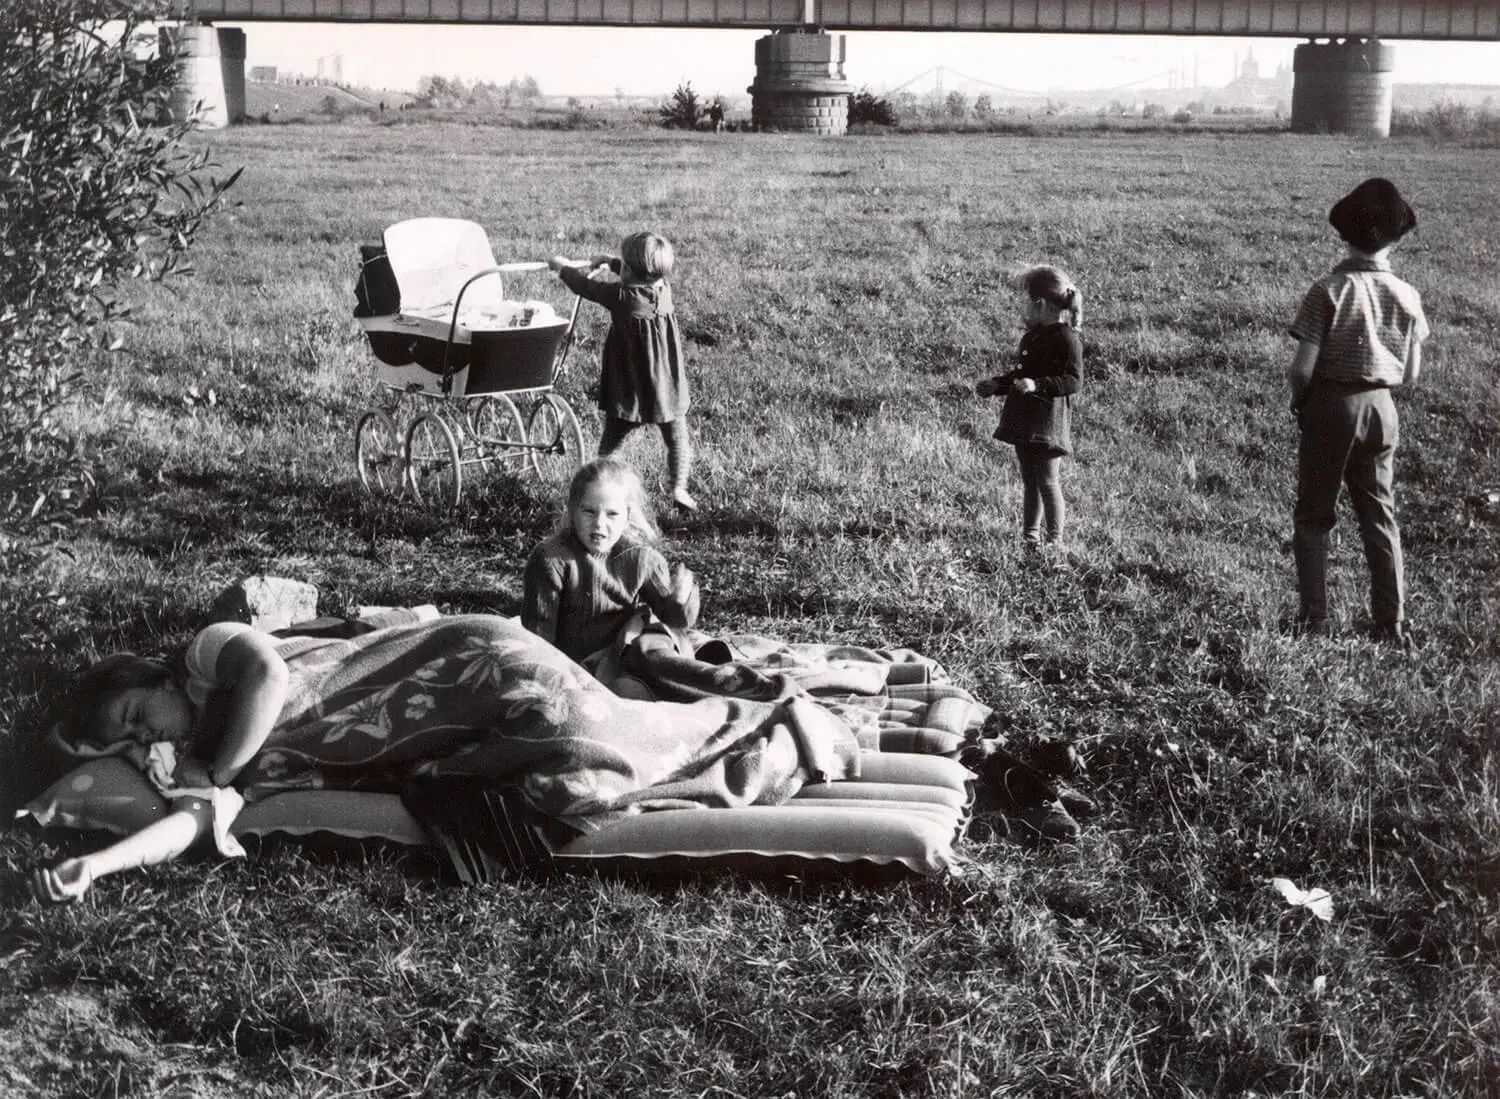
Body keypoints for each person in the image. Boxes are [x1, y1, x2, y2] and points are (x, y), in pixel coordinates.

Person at [30, 610, 864, 904]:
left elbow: (274, 672)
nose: (151, 739)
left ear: (154, 674)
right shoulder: (197, 768)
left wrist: (220, 765)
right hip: (452, 729)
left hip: (464, 660)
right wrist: (97, 868)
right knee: (569, 773)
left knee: (582, 728)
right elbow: (185, 827)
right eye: (132, 744)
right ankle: (751, 735)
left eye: (140, 714)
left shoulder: (209, 659)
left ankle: (772, 726)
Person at [1286, 178, 1429, 644]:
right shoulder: (1408, 296)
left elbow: (1302, 369)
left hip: (1331, 405)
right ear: (1396, 237)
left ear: (1343, 232)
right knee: (1379, 515)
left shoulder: (1328, 291)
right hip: (1383, 409)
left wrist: (1301, 402)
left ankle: (1314, 619)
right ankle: (1392, 621)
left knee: (1314, 515)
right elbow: (1409, 374)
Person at [522, 458, 762, 701]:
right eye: (589, 511)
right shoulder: (551, 559)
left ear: (627, 516)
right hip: (591, 667)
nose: (600, 523)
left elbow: (674, 619)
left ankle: (728, 683)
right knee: (627, 695)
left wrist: (680, 600)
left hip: (635, 650)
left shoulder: (640, 558)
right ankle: (691, 692)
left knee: (652, 650)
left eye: (612, 514)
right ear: (572, 510)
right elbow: (540, 638)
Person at [549, 232, 696, 512]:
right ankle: (679, 487)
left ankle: (601, 488)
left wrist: (562, 267)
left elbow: (583, 286)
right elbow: (640, 272)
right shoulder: (663, 289)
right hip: (666, 385)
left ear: (628, 270)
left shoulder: (620, 296)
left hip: (630, 389)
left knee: (610, 446)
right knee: (677, 438)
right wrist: (612, 262)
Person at [975, 265, 1084, 551]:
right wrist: (997, 385)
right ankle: (1030, 538)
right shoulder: (1033, 336)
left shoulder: (1067, 338)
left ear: (1041, 304)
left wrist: (1038, 385)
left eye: (1026, 300)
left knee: (1047, 481)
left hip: (1048, 422)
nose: (1023, 306)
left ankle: (1055, 542)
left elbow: (1073, 381)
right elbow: (1020, 374)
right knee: (1029, 480)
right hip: (1024, 419)